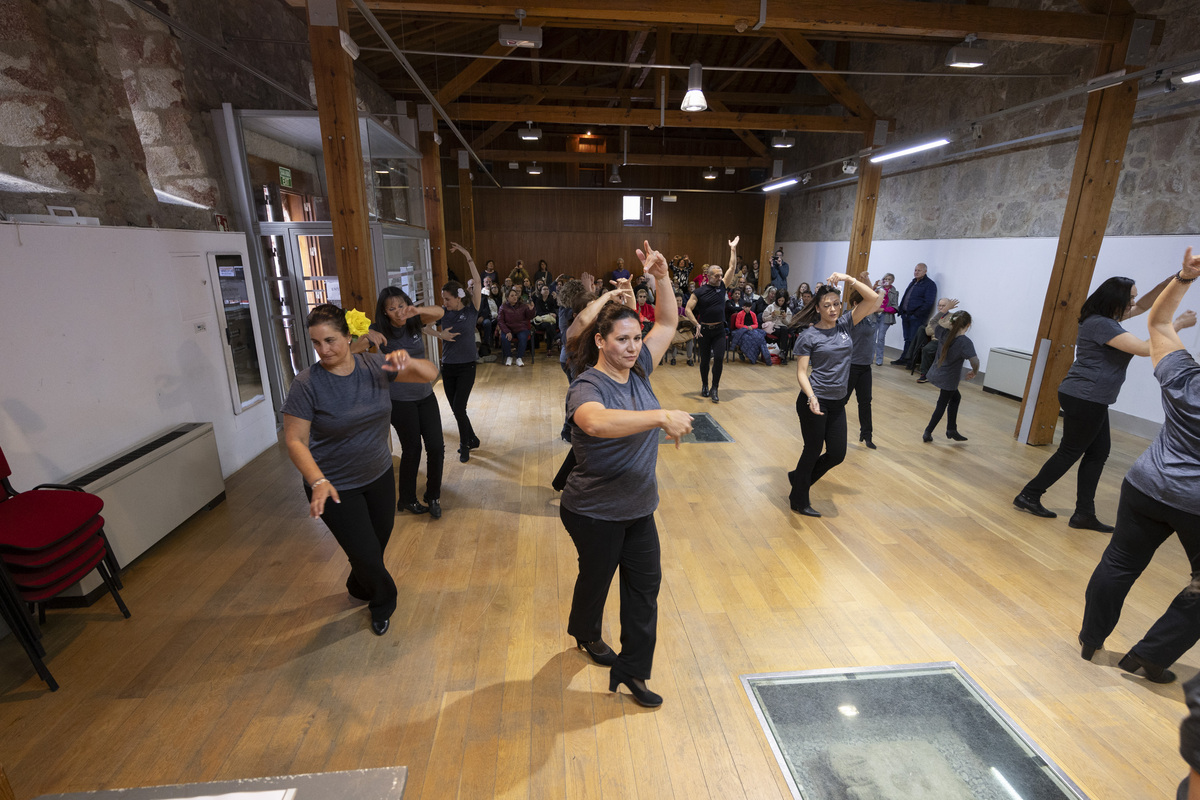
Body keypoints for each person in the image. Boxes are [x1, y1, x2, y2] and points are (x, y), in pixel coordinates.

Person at [561, 239, 692, 709]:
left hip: (639, 510)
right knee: (595, 581)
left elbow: (671, 321)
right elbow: (595, 422)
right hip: (593, 511)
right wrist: (658, 418)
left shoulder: (639, 371)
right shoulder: (587, 384)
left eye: (637, 339)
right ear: (600, 341)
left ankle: (633, 672)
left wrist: (660, 277)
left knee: (643, 594)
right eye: (623, 339)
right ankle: (585, 632)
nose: (634, 347)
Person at [1078, 247, 1200, 684]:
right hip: (1195, 505)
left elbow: (1158, 321)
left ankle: (1091, 640)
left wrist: (1185, 278)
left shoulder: (1188, 380)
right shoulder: (1099, 324)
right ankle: (1149, 656)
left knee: (1121, 560)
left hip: (1146, 485)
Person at [282, 303, 437, 636]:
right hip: (334, 485)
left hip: (378, 474)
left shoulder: (373, 365)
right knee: (367, 553)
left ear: (349, 336)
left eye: (331, 340)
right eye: (316, 343)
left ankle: (358, 585)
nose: (324, 350)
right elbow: (295, 440)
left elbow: (430, 374)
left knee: (373, 548)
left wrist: (408, 362)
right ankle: (383, 603)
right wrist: (317, 480)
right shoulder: (307, 384)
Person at [1014, 272, 1196, 531]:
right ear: (1115, 299)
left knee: (1097, 453)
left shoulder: (1105, 318)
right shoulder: (1102, 324)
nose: (1133, 303)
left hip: (1090, 396)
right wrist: (1174, 324)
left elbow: (1145, 305)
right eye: (1129, 298)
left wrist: (1178, 279)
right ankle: (1030, 495)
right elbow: (1145, 349)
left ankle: (1083, 513)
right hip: (1085, 395)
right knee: (1071, 451)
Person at [788, 275, 881, 517]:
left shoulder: (846, 323)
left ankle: (798, 478)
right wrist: (811, 396)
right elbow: (801, 372)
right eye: (827, 305)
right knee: (813, 449)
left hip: (838, 402)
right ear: (817, 308)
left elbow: (873, 298)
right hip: (814, 400)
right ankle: (798, 498)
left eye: (836, 304)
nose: (832, 309)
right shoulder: (809, 336)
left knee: (837, 453)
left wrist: (849, 278)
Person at [364, 288, 447, 519]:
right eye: (392, 308)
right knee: (412, 449)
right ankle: (407, 498)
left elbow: (440, 312)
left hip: (425, 394)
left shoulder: (413, 320)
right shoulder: (378, 329)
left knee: (437, 447)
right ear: (384, 311)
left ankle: (433, 495)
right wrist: (367, 335)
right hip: (399, 400)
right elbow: (356, 346)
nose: (398, 312)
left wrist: (415, 310)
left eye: (401, 306)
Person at [438, 242, 484, 463]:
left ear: (457, 297)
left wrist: (467, 254)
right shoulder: (442, 314)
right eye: (443, 299)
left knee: (459, 406)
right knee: (457, 409)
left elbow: (476, 281)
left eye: (447, 299)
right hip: (448, 367)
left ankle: (464, 445)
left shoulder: (471, 310)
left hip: (467, 366)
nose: (444, 302)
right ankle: (472, 438)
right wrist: (439, 335)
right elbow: (419, 325)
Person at [684, 237, 742, 404]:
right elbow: (688, 309)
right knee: (704, 360)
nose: (719, 278)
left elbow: (732, 267)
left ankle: (714, 388)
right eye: (716, 276)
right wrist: (696, 324)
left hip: (718, 331)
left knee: (718, 358)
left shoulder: (723, 286)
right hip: (704, 332)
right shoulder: (700, 292)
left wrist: (732, 249)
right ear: (708, 276)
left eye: (720, 275)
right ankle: (704, 385)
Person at [920, 311, 979, 443]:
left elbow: (933, 322)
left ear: (952, 322)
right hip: (948, 379)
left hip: (935, 373)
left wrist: (944, 310)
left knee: (956, 398)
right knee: (942, 404)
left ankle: (951, 429)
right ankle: (928, 432)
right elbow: (975, 361)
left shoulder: (943, 333)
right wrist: (974, 371)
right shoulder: (965, 342)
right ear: (968, 325)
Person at [846, 284, 880, 449]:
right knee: (841, 401)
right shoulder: (852, 318)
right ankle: (828, 430)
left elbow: (877, 300)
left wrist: (869, 283)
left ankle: (866, 435)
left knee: (865, 402)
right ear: (855, 304)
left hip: (866, 367)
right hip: (851, 366)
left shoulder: (868, 317)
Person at [892, 263, 937, 367]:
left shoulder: (930, 284)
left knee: (913, 339)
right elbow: (906, 297)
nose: (916, 272)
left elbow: (928, 303)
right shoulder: (913, 282)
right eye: (915, 270)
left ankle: (910, 361)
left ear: (925, 271)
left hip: (916, 317)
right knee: (907, 338)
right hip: (906, 315)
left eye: (919, 270)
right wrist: (901, 311)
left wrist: (916, 314)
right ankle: (904, 358)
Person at [916, 298, 960, 382]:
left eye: (944, 306)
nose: (941, 307)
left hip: (945, 341)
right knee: (927, 349)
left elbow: (950, 327)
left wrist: (936, 326)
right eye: (939, 305)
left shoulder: (953, 317)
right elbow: (928, 331)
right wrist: (942, 326)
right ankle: (925, 374)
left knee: (933, 349)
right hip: (935, 340)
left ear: (949, 306)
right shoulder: (934, 317)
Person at [498, 287, 535, 365]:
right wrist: (507, 331)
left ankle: (519, 357)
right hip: (508, 328)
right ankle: (509, 356)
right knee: (505, 338)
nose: (515, 297)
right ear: (507, 298)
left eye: (515, 295)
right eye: (512, 296)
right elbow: (500, 321)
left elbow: (530, 317)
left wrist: (531, 310)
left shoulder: (523, 305)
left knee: (523, 337)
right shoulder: (503, 307)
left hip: (521, 328)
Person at [872, 273, 899, 366]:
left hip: (885, 316)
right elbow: (870, 298)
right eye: (885, 278)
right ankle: (870, 357)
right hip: (875, 315)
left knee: (880, 338)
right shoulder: (877, 289)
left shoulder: (894, 292)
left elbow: (895, 307)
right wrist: (874, 287)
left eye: (889, 279)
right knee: (873, 337)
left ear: (892, 281)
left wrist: (883, 309)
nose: (886, 280)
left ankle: (879, 359)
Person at [532, 283, 559, 353]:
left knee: (550, 326)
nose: (546, 290)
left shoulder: (551, 299)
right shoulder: (538, 300)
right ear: (541, 291)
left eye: (547, 289)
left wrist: (556, 299)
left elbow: (555, 308)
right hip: (541, 321)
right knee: (548, 325)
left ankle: (549, 349)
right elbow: (539, 313)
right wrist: (549, 314)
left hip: (551, 320)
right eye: (544, 289)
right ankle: (556, 339)